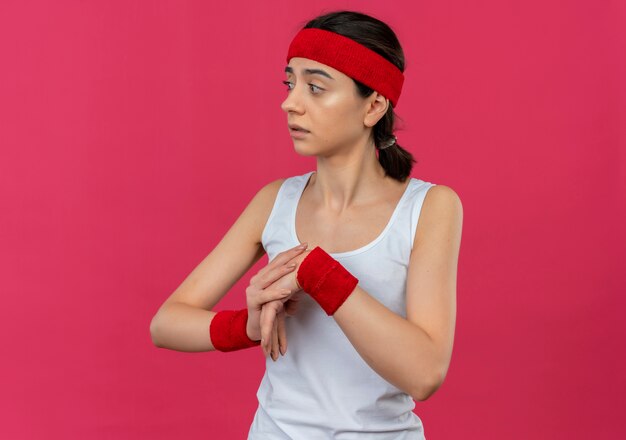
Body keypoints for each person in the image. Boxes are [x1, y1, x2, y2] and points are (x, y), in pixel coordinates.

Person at [150, 9, 463, 439]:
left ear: (373, 105)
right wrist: (247, 325)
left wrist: (317, 273)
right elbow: (166, 323)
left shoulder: (429, 208)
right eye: (290, 83)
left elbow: (425, 372)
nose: (290, 102)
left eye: (316, 87)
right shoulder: (275, 201)